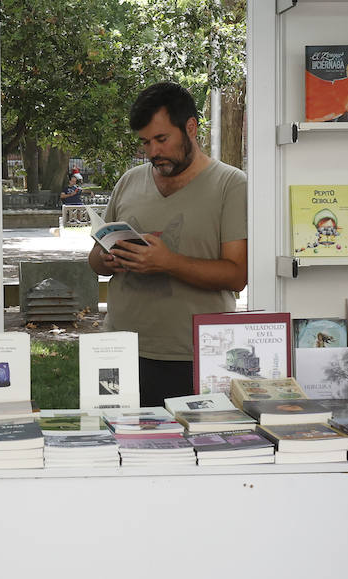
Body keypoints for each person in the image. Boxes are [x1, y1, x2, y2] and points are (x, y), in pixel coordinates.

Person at [88, 81, 247, 405]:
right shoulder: (129, 181)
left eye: (161, 139)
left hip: (196, 356)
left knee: (194, 451)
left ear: (191, 127)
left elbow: (236, 275)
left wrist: (168, 262)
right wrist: (107, 260)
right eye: (145, 142)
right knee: (117, 449)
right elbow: (94, 259)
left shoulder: (231, 184)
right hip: (121, 348)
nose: (152, 152)